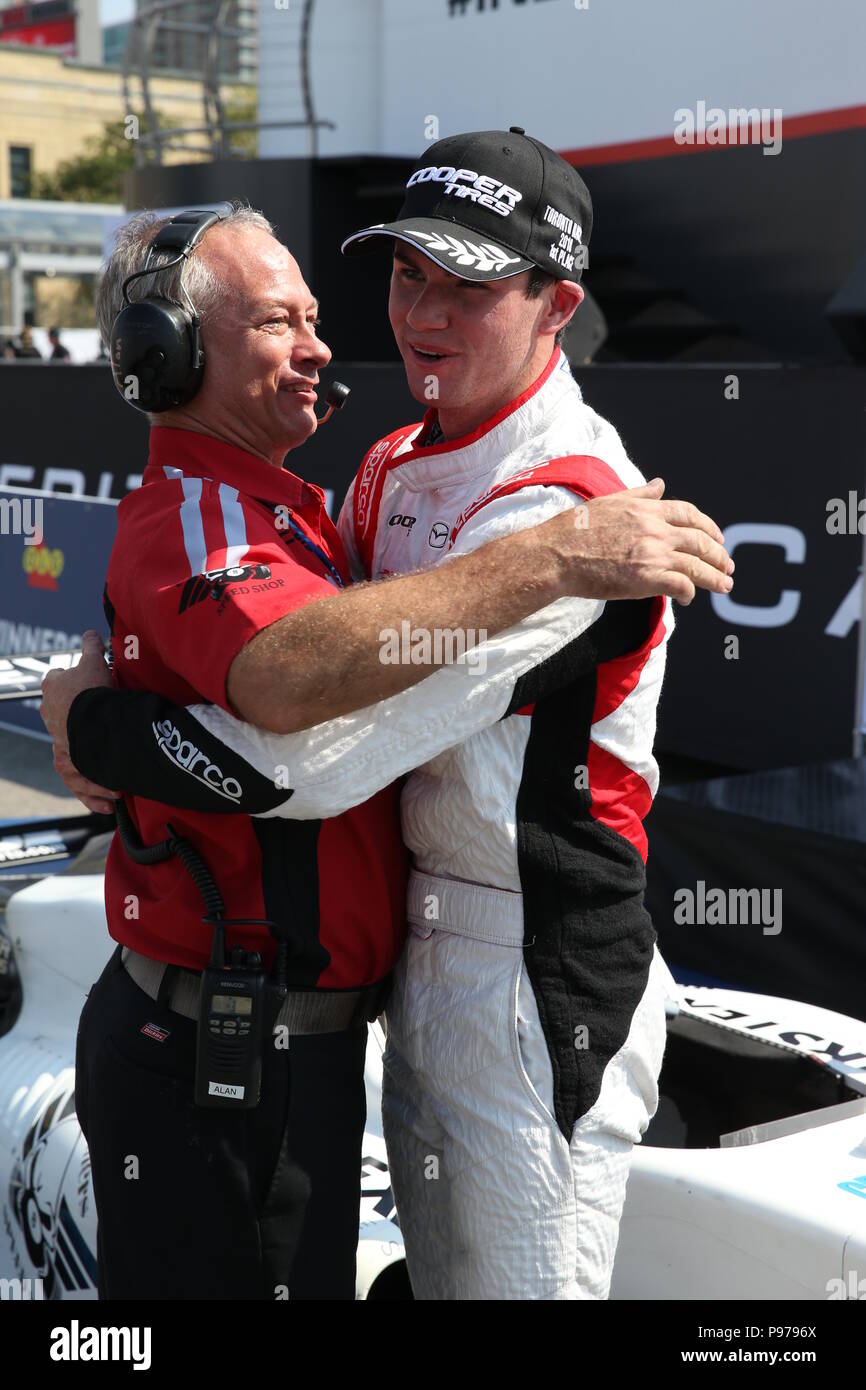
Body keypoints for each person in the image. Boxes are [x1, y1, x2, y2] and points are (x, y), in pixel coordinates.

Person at [41, 187, 733, 1301]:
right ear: (162, 354)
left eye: (469, 285)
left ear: (556, 305)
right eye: (410, 277)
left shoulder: (583, 507)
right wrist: (89, 715)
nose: (408, 315)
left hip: (524, 975)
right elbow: (287, 690)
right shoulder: (383, 478)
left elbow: (309, 765)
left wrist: (96, 724)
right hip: (265, 1028)